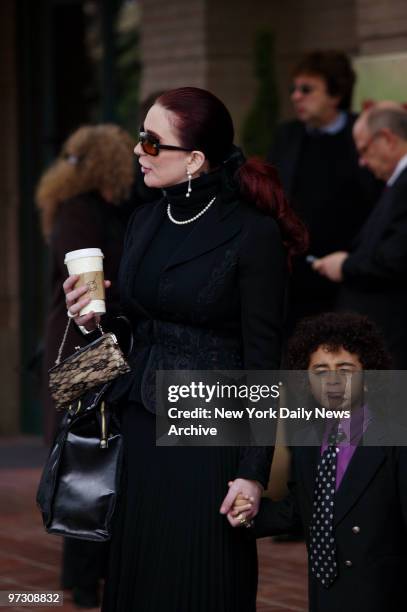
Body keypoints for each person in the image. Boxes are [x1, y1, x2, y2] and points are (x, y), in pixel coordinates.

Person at [63, 86, 307, 612]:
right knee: (138, 574)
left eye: (152, 142)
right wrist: (90, 317)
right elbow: (131, 324)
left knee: (200, 577)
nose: (137, 151)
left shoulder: (251, 233)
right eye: (139, 137)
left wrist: (251, 471)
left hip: (209, 430)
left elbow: (264, 361)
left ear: (195, 159)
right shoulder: (147, 218)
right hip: (138, 423)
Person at [231, 312, 407, 612]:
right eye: (321, 370)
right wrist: (247, 513)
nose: (333, 380)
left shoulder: (394, 439)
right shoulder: (306, 441)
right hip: (326, 593)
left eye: (346, 369)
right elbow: (301, 511)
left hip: (382, 592)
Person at [36, 124, 135, 608]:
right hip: (84, 350)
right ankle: (80, 577)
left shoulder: (77, 208)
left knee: (95, 450)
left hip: (86, 345)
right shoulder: (83, 213)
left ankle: (88, 573)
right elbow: (90, 289)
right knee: (87, 454)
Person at [268, 50, 381, 331]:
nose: (296, 96)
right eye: (294, 89)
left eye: (307, 89)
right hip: (295, 277)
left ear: (336, 94)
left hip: (350, 276)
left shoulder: (363, 134)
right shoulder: (287, 135)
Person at [313, 103, 407, 368]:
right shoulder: (396, 183)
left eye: (365, 149)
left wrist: (345, 265)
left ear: (387, 138)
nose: (362, 161)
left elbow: (394, 259)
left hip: (393, 339)